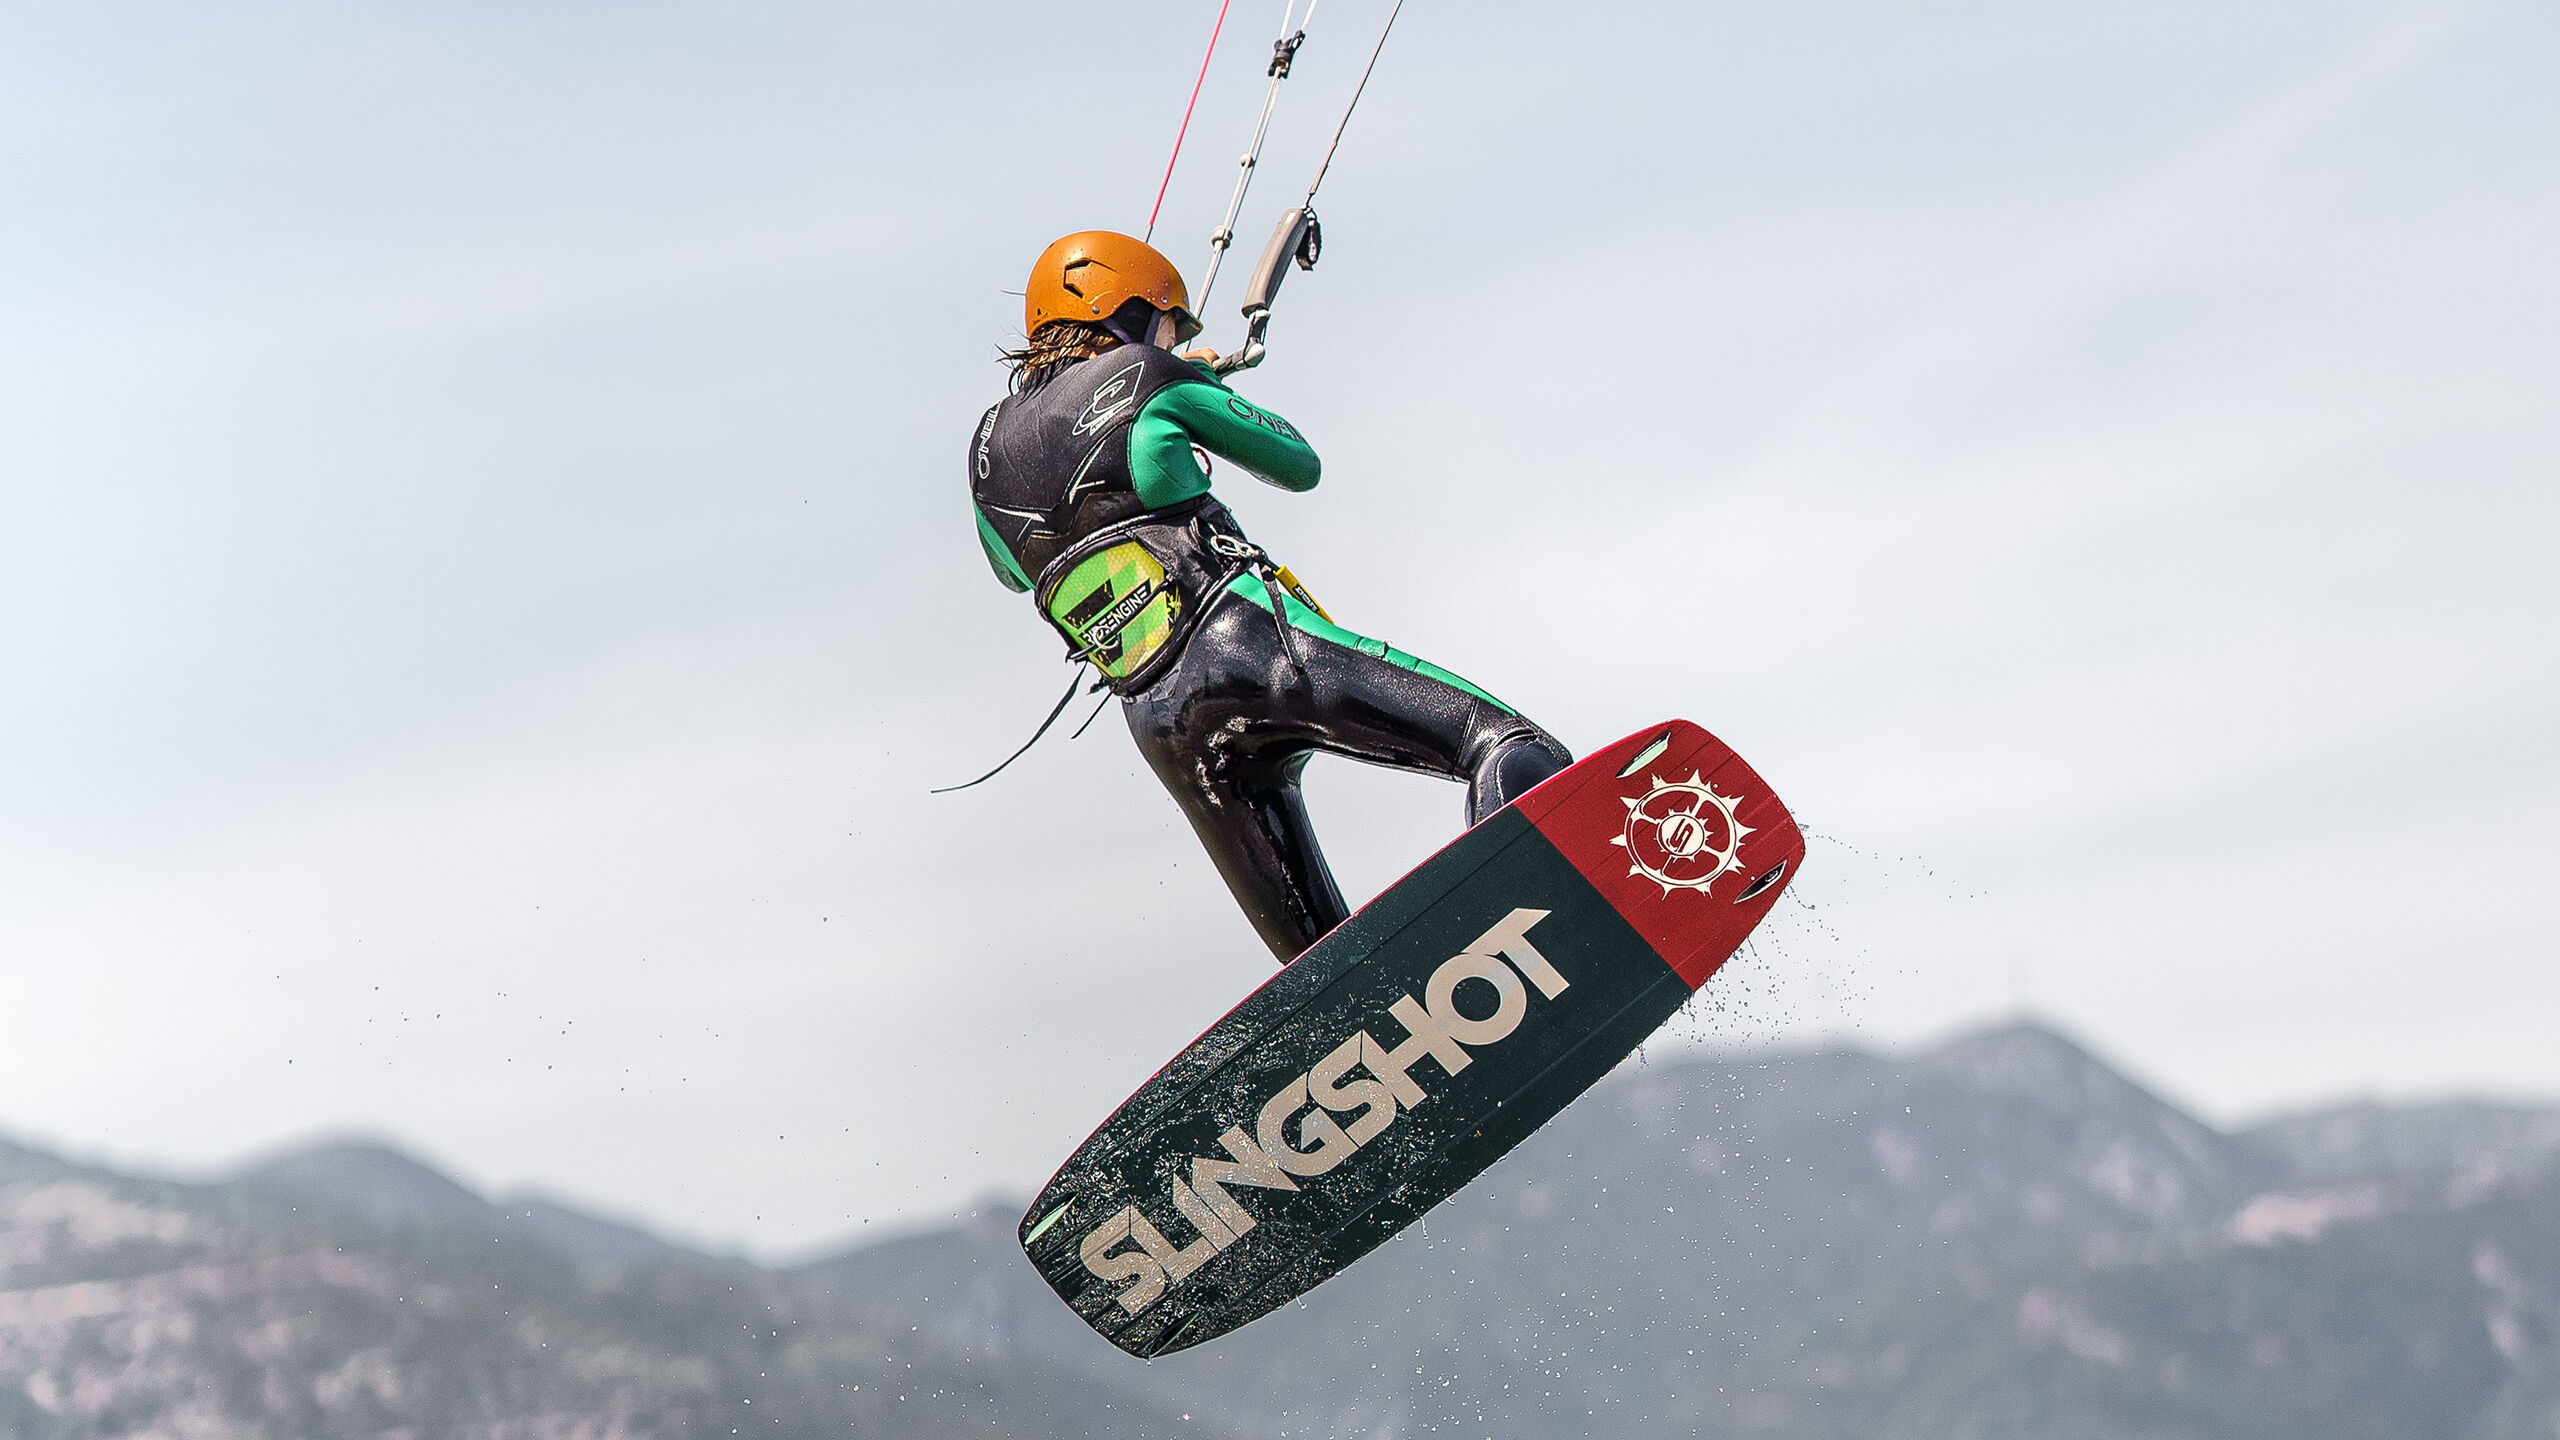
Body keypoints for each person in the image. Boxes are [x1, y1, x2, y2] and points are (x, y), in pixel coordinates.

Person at [967, 230, 1571, 963]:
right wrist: (1197, 387)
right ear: (1123, 310)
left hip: (1163, 724)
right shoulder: (1143, 373)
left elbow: (1014, 571)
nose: (1174, 336)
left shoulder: (987, 451)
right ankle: (1555, 922)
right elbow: (1296, 463)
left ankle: (1369, 1038)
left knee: (1322, 965)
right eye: (1169, 322)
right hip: (1253, 646)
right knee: (1505, 746)